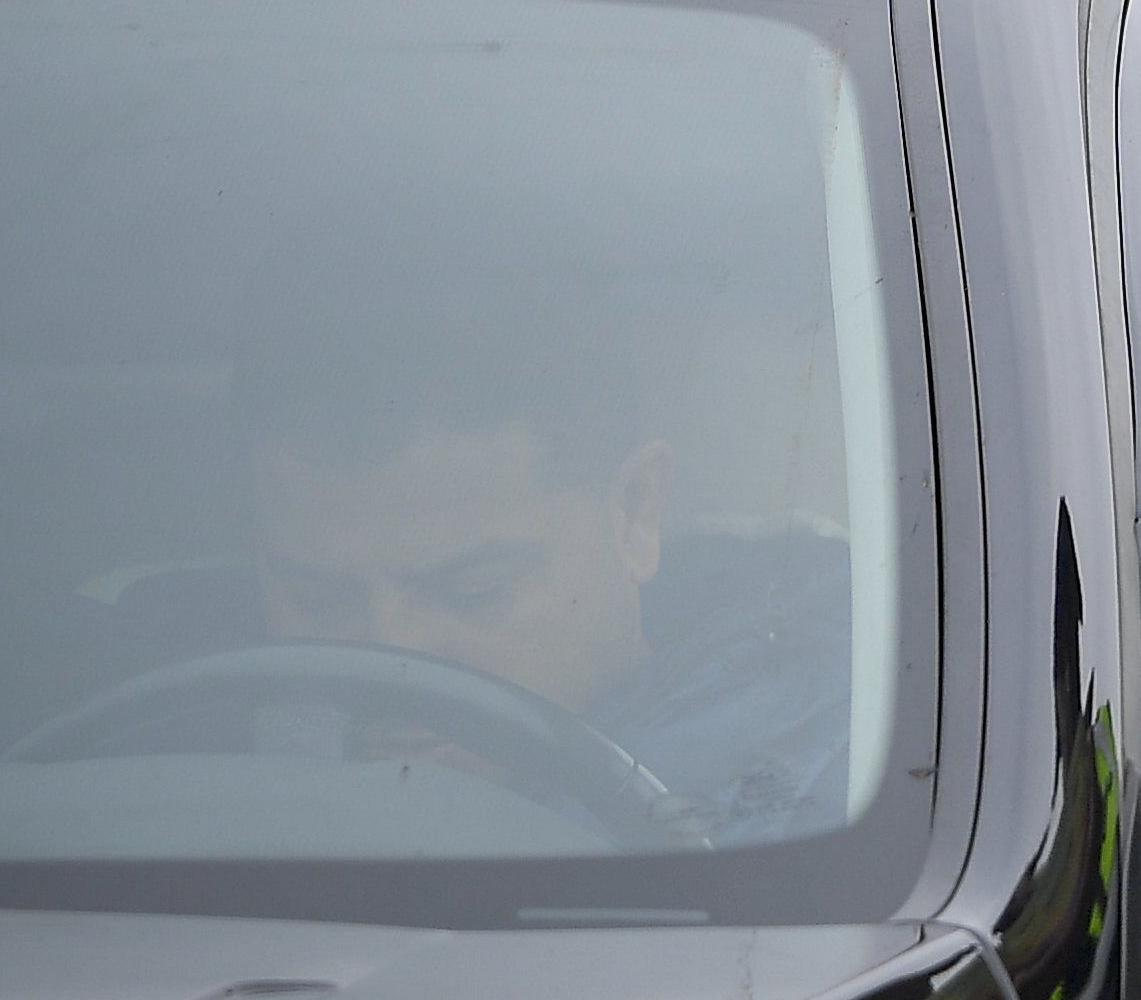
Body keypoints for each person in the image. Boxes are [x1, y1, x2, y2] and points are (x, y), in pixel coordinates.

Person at [238, 254, 852, 846]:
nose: (390, 656)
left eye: (472, 590)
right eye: (317, 596)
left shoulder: (829, 811)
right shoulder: (172, 754)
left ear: (635, 513)